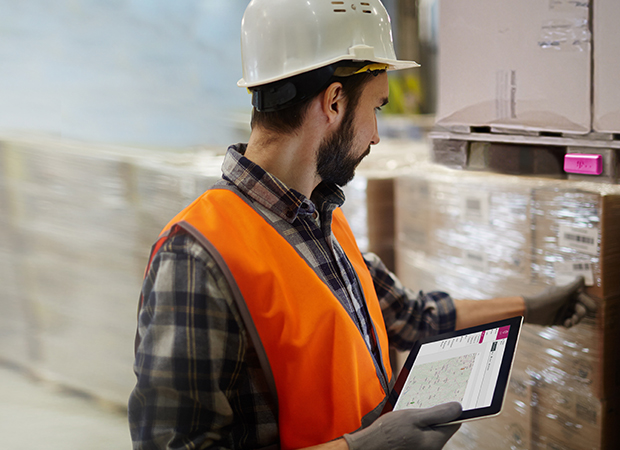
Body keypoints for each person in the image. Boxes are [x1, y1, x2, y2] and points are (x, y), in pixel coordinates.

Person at [128, 1, 596, 449]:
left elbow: (411, 318)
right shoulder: (196, 256)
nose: (375, 134)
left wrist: (531, 307)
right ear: (333, 102)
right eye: (377, 107)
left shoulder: (319, 221)